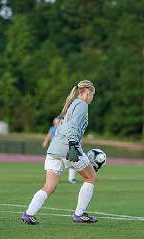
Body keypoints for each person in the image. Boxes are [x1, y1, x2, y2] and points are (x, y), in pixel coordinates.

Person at [21, 80, 97, 225]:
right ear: (88, 92)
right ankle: (79, 214)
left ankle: (28, 214)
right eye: (93, 94)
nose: (92, 98)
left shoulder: (72, 102)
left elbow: (66, 126)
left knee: (49, 186)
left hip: (54, 149)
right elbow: (72, 127)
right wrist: (74, 145)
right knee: (91, 177)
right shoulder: (82, 105)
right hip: (68, 148)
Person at [42, 117, 77, 184]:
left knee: (71, 163)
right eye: (56, 122)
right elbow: (48, 136)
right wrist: (45, 142)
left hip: (62, 149)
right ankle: (50, 180)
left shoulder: (64, 128)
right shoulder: (53, 129)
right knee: (53, 166)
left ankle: (71, 178)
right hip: (55, 149)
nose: (57, 123)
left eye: (58, 122)